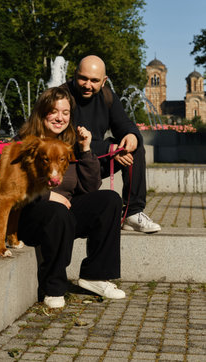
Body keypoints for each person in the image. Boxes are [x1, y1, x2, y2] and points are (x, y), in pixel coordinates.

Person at [17, 86, 125, 309]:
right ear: (42, 112)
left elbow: (90, 187)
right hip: (31, 216)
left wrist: (86, 150)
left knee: (110, 200)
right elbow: (13, 186)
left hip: (65, 215)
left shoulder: (70, 143)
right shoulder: (24, 143)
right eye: (54, 111)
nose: (60, 118)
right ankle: (53, 288)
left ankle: (95, 276)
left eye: (65, 112)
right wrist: (48, 197)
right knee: (57, 211)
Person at [64, 55, 161, 233]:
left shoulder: (107, 96)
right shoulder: (61, 96)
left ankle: (132, 212)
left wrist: (131, 136)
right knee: (117, 147)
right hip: (67, 166)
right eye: (83, 78)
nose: (87, 85)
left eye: (94, 80)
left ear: (104, 81)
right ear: (74, 74)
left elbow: (123, 123)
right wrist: (109, 148)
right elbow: (63, 141)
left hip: (92, 163)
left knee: (135, 147)